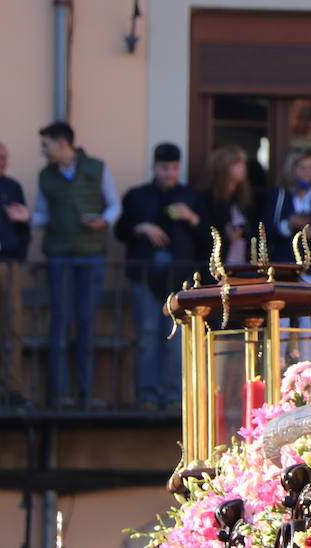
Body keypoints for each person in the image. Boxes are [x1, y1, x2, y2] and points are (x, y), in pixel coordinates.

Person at [32, 121, 121, 408]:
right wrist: (24, 218)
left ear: (61, 143)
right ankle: (61, 394)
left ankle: (84, 393)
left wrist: (103, 220)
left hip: (91, 254)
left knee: (85, 322)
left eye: (45, 145)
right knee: (59, 323)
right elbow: (42, 214)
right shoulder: (46, 176)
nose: (43, 151)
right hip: (59, 255)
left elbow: (114, 204)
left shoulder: (96, 168)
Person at [114, 142, 206, 410]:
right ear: (155, 167)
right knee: (147, 336)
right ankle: (147, 396)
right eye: (165, 168)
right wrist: (142, 228)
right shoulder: (137, 196)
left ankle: (175, 396)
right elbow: (120, 230)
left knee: (177, 342)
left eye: (174, 168)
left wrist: (192, 218)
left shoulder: (192, 197)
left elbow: (208, 238)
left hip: (180, 283)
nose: (170, 173)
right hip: (145, 277)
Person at [0, 139, 31, 406]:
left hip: (7, 265)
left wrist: (19, 254)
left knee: (12, 330)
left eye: (6, 158)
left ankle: (11, 392)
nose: (6, 163)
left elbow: (24, 228)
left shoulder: (11, 187)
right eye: (0, 158)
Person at [262, 150, 311, 264]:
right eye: (302, 168)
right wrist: (289, 224)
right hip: (282, 264)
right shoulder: (278, 196)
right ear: (291, 169)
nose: (307, 173)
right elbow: (266, 231)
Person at [201, 145, 257, 265]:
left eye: (243, 163)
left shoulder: (244, 197)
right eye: (236, 164)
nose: (242, 168)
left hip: (242, 260)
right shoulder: (208, 197)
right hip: (217, 262)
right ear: (223, 167)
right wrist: (225, 234)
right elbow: (205, 229)